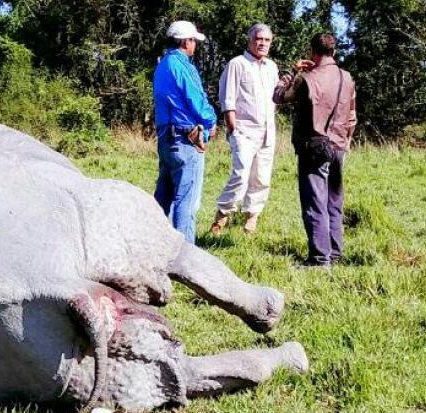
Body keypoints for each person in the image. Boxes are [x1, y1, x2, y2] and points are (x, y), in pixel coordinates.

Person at [273, 33, 357, 267]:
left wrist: (291, 72)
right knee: (334, 202)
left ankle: (320, 258)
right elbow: (352, 116)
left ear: (313, 53)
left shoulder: (306, 78)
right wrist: (346, 142)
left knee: (315, 203)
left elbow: (278, 96)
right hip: (339, 145)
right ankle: (335, 254)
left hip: (314, 146)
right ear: (334, 52)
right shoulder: (347, 77)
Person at [153, 20, 217, 244]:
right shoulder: (183, 66)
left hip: (165, 137)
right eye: (193, 41)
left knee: (163, 198)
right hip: (185, 138)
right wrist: (211, 120)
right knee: (186, 202)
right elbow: (196, 99)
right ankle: (185, 258)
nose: (195, 45)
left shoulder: (162, 65)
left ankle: (155, 246)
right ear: (186, 41)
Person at [211, 24, 279, 235]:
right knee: (240, 175)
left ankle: (251, 219)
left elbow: (278, 96)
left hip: (267, 131)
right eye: (259, 39)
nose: (262, 43)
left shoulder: (271, 67)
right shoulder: (237, 64)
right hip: (244, 130)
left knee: (262, 177)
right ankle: (221, 216)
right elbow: (227, 99)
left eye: (267, 40)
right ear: (250, 40)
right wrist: (234, 129)